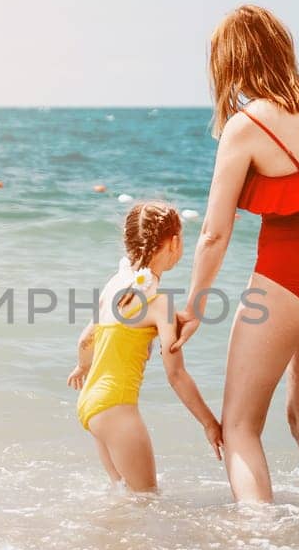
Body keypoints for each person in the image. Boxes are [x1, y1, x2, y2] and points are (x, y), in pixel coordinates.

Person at [169, 5, 299, 503]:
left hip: (287, 280)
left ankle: (260, 548)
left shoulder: (244, 127)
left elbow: (214, 233)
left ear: (231, 62)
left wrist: (193, 307)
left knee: (239, 427)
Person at [69, 200, 223, 492]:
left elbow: (85, 339)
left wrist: (82, 367)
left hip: (91, 404)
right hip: (117, 407)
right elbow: (176, 375)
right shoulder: (159, 302)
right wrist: (209, 422)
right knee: (145, 500)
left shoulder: (117, 285)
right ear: (174, 242)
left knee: (123, 497)